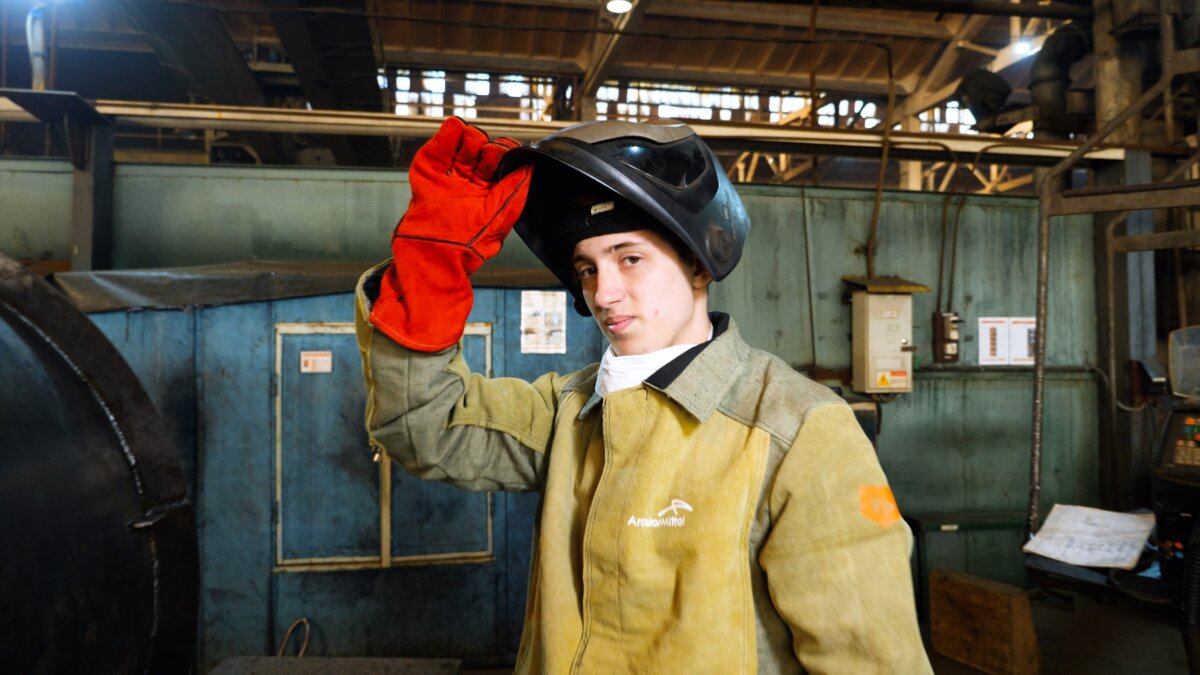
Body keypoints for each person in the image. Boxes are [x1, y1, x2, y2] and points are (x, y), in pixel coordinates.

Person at [355, 116, 932, 673]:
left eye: (629, 259)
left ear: (699, 263)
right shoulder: (568, 411)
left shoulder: (799, 428)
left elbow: (870, 660)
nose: (604, 294)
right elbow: (424, 426)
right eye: (587, 269)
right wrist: (427, 271)